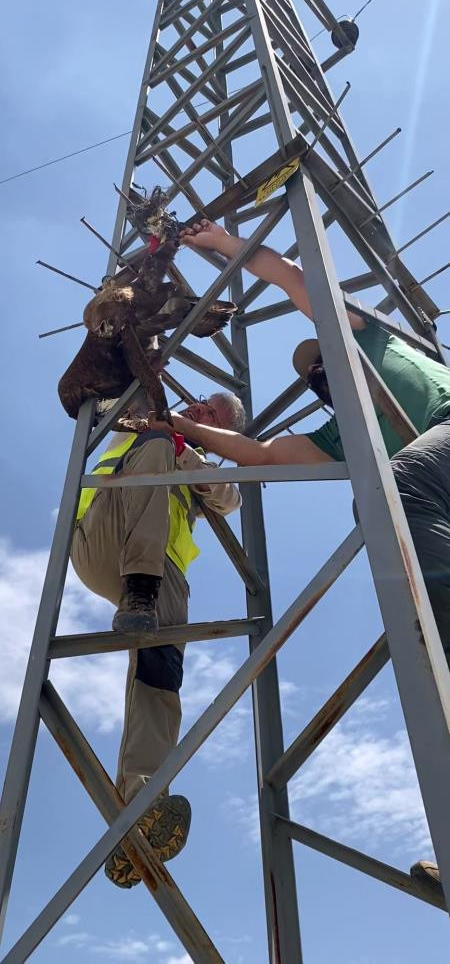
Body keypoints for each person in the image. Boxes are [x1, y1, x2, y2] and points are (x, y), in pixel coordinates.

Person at [150, 218, 450, 895]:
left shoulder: (366, 336)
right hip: (434, 488)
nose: (319, 375)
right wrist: (178, 425)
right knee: (432, 665)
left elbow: (291, 276)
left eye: (320, 362)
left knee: (393, 487)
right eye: (314, 375)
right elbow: (258, 456)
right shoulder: (345, 432)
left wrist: (221, 244)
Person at [71, 391, 243, 887]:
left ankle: (139, 806)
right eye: (200, 404)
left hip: (162, 578)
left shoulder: (205, 466)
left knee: (160, 677)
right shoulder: (138, 421)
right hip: (104, 540)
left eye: (212, 413)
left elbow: (230, 498)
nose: (199, 411)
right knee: (154, 441)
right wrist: (154, 416)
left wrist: (188, 448)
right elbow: (98, 411)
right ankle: (140, 590)